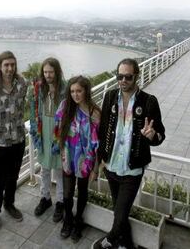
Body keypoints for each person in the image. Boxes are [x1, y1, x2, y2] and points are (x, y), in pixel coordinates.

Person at [93, 58, 165, 249]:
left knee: (121, 212)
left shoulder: (148, 101)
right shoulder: (109, 97)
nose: (123, 80)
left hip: (132, 168)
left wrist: (152, 136)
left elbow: (160, 136)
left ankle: (108, 240)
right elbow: (103, 130)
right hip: (111, 166)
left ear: (136, 76)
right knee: (119, 211)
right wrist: (101, 159)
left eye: (128, 77)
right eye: (119, 76)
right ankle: (126, 244)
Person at [0, 51, 28, 233]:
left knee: (14, 176)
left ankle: (9, 204)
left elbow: (25, 104)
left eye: (12, 65)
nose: (10, 68)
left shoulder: (22, 84)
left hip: (18, 139)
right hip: (0, 142)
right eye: (6, 65)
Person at [53, 75, 101, 243]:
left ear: (86, 91)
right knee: (67, 194)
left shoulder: (95, 113)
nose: (75, 94)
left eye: (79, 91)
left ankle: (78, 221)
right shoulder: (65, 106)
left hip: (85, 161)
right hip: (69, 158)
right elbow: (57, 129)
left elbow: (99, 145)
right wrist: (59, 149)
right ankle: (67, 220)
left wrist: (96, 168)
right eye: (72, 91)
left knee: (82, 192)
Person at [28, 57, 66, 222]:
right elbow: (33, 109)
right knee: (44, 168)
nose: (48, 74)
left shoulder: (65, 89)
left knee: (59, 170)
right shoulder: (39, 89)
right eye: (45, 72)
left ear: (56, 71)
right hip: (44, 131)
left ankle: (60, 202)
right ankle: (45, 198)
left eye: (51, 71)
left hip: (59, 133)